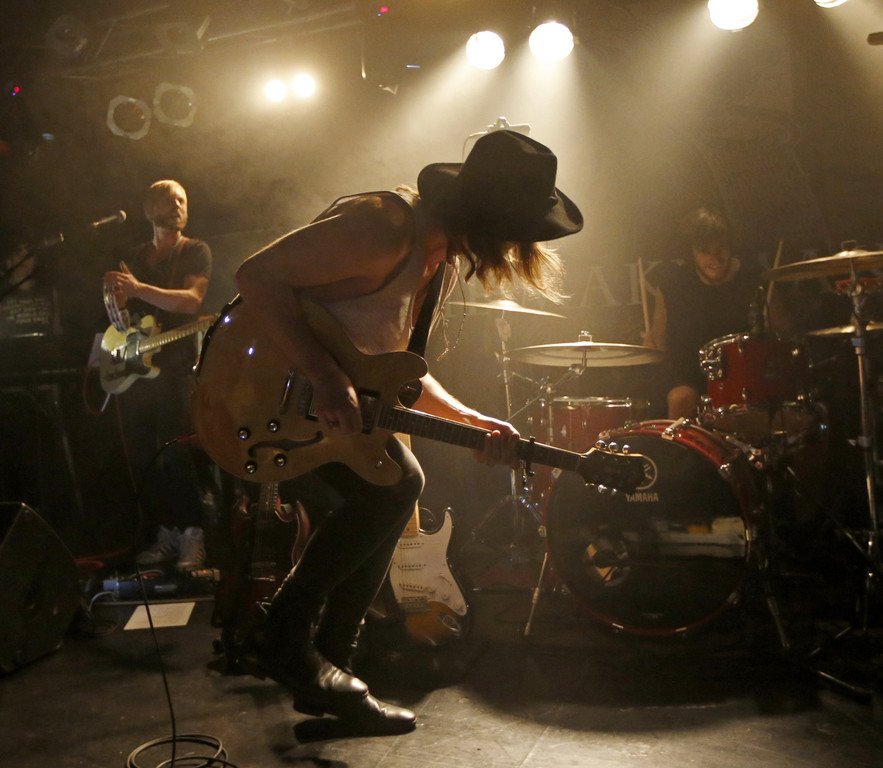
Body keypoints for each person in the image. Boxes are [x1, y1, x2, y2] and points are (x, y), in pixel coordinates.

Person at [233, 130, 583, 735]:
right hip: (260, 394)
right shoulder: (382, 227)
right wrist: (323, 374)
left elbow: (394, 374)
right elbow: (254, 276)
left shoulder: (435, 260)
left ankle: (330, 676)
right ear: (490, 221)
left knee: (396, 484)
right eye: (516, 233)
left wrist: (471, 420)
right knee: (396, 484)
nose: (518, 249)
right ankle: (283, 636)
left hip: (323, 407)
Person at [103, 179, 212, 571]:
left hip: (177, 369)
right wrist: (116, 302)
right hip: (138, 372)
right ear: (150, 209)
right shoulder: (134, 256)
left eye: (183, 199)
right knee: (146, 458)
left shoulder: (195, 250)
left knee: (178, 452)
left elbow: (191, 301)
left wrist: (137, 288)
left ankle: (195, 535)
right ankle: (166, 533)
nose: (179, 206)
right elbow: (124, 315)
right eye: (171, 200)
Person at [645, 206, 788, 419]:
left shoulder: (755, 280)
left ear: (730, 246)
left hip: (745, 372)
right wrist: (652, 350)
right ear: (692, 253)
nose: (715, 257)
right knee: (681, 398)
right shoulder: (673, 286)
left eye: (721, 248)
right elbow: (658, 339)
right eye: (705, 251)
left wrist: (772, 338)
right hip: (689, 374)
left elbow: (785, 332)